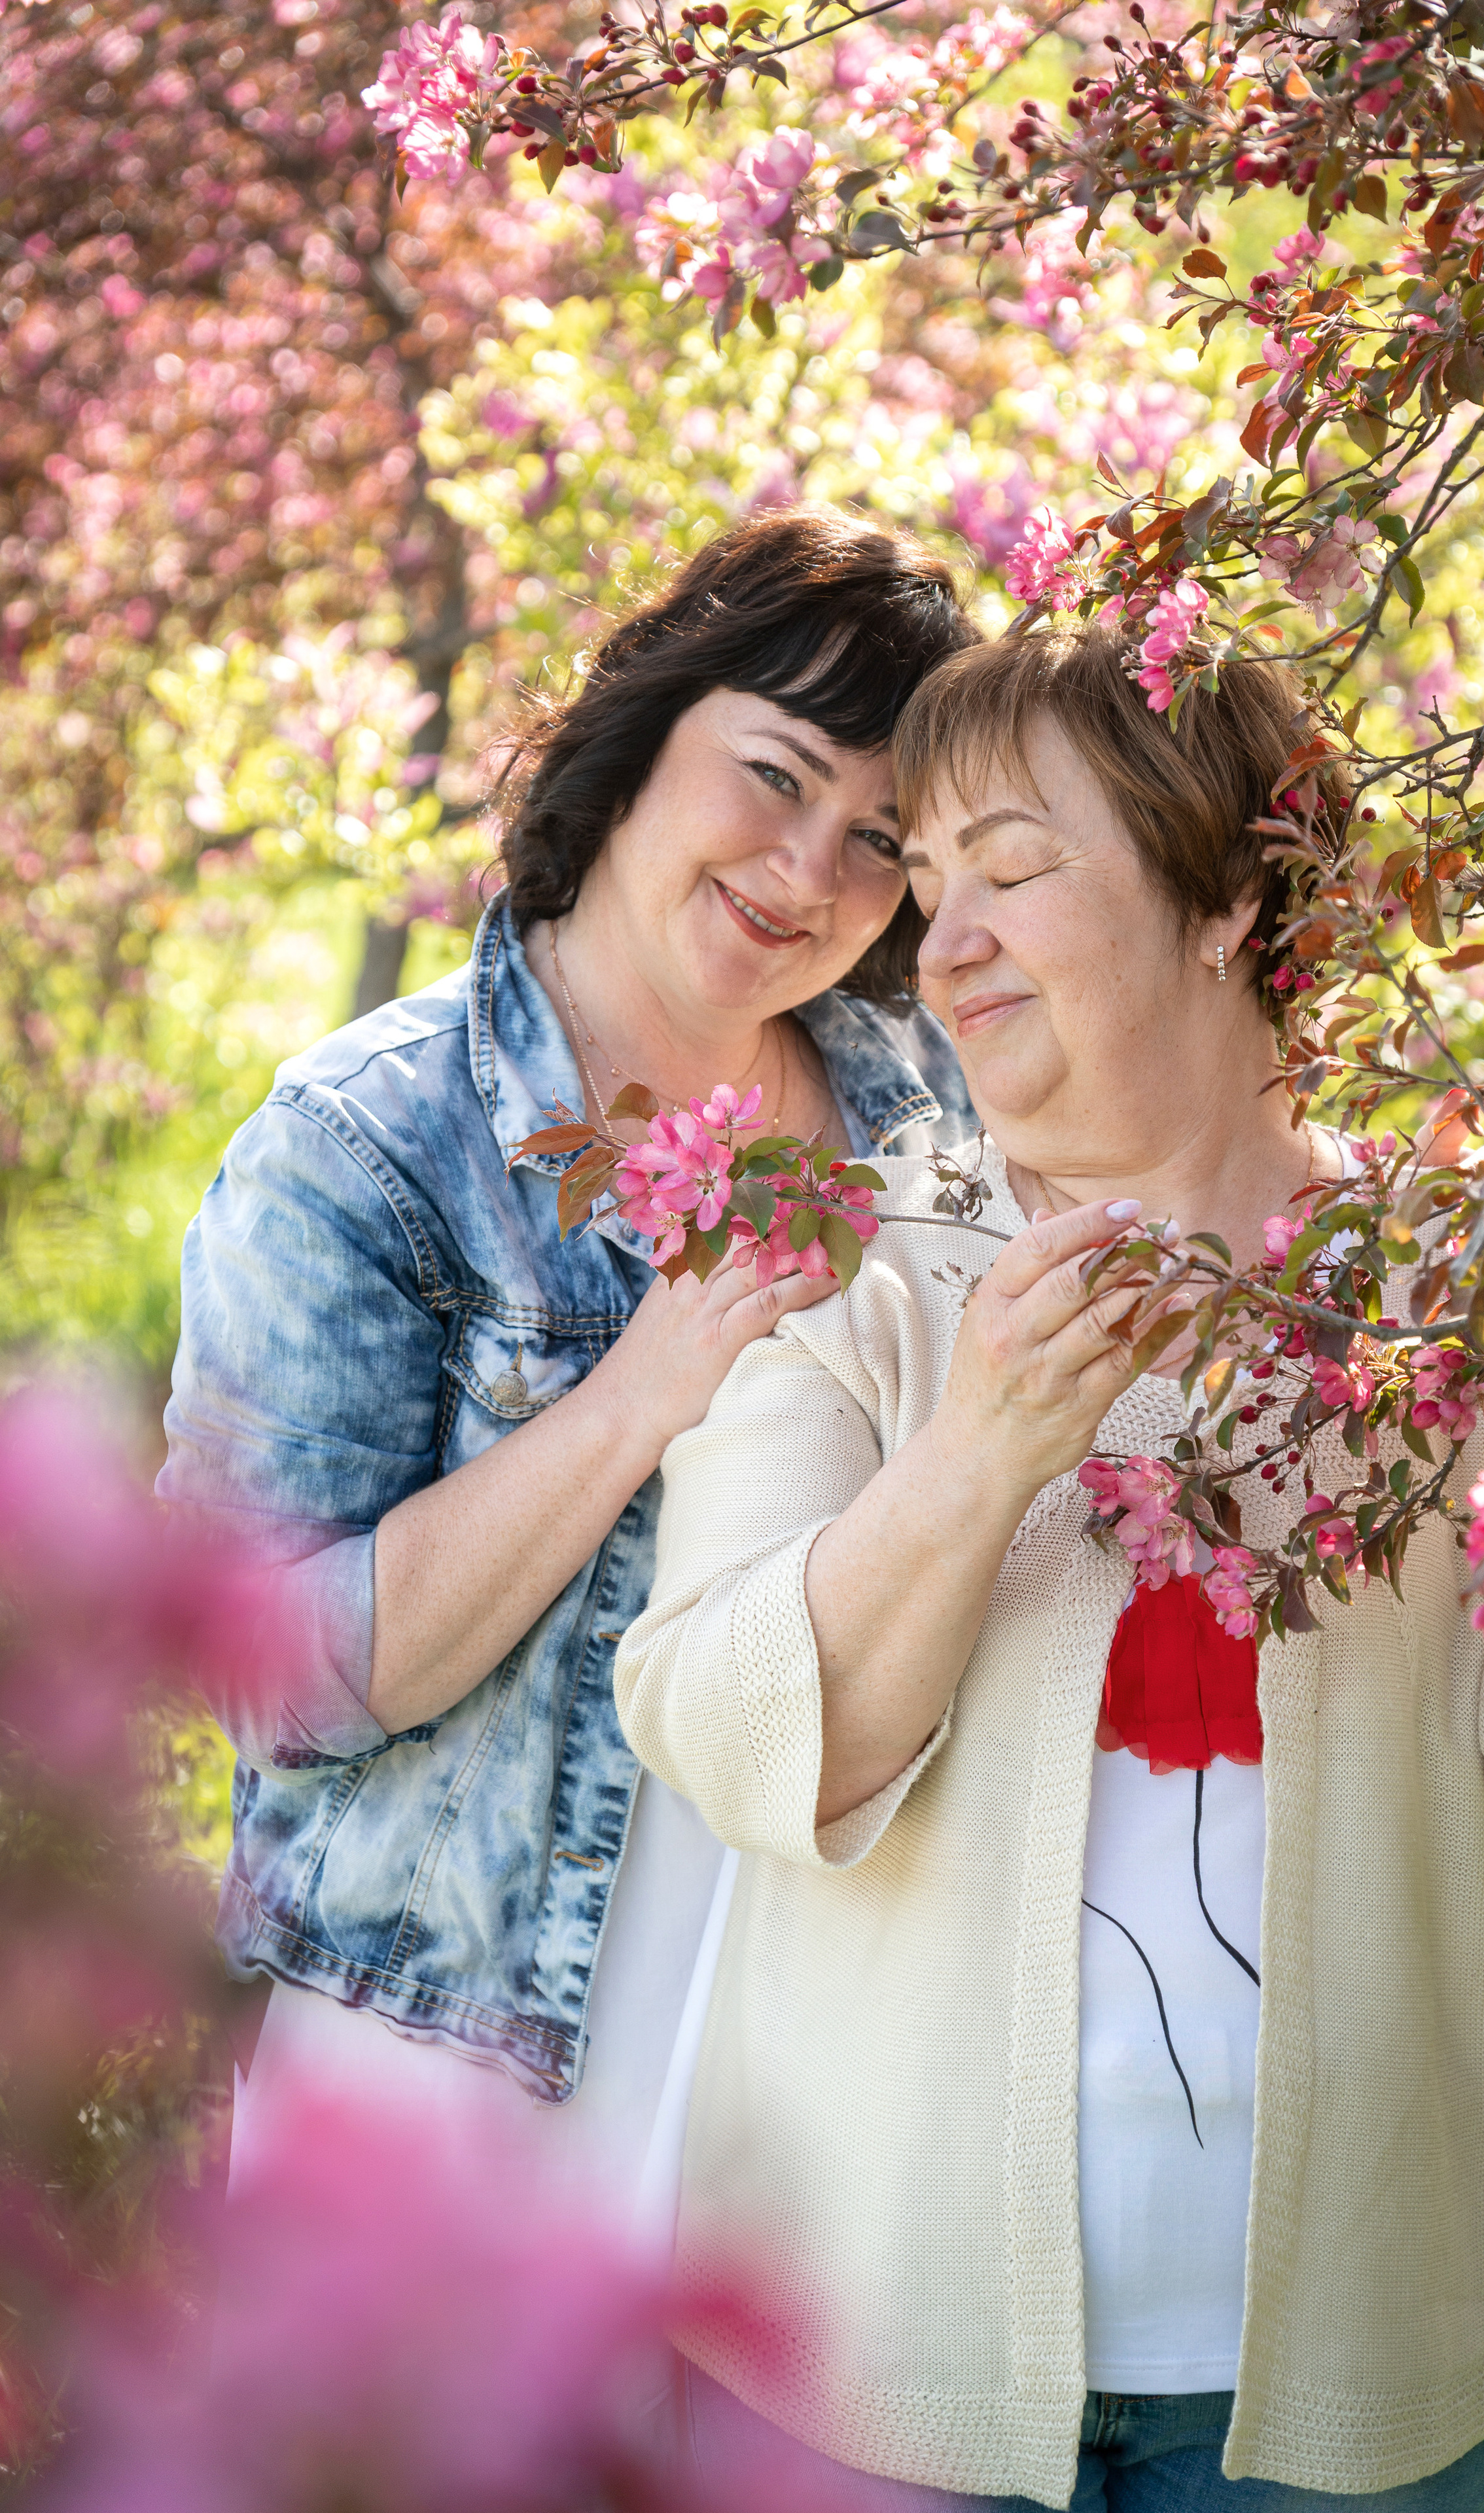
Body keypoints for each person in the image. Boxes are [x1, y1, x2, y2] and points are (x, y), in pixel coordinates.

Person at [614, 626, 1484, 2508]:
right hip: (864, 2383)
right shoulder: (855, 1283)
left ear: (1225, 902)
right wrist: (981, 1449)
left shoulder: (1457, 1301)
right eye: (926, 890)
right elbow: (733, 1732)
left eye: (1012, 870)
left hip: (1356, 2391)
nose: (938, 946)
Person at [158, 507, 980, 2222]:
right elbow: (272, 1676)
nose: (809, 872)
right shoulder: (370, 1144)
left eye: (880, 837)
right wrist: (641, 1395)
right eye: (772, 775)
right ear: (641, 736)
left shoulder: (939, 1126)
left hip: (825, 2071)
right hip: (447, 2080)